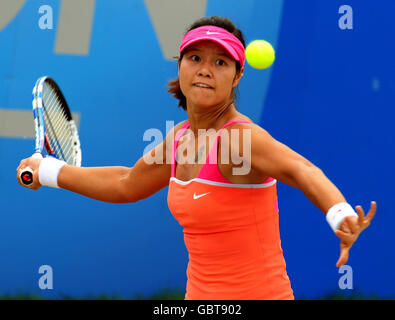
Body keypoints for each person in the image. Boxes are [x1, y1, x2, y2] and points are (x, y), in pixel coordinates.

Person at [17, 16, 376, 300]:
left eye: (221, 62)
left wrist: (339, 214)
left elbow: (300, 169)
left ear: (237, 76)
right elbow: (126, 184)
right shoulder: (179, 139)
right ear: (180, 67)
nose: (205, 69)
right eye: (195, 58)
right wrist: (49, 170)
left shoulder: (240, 138)